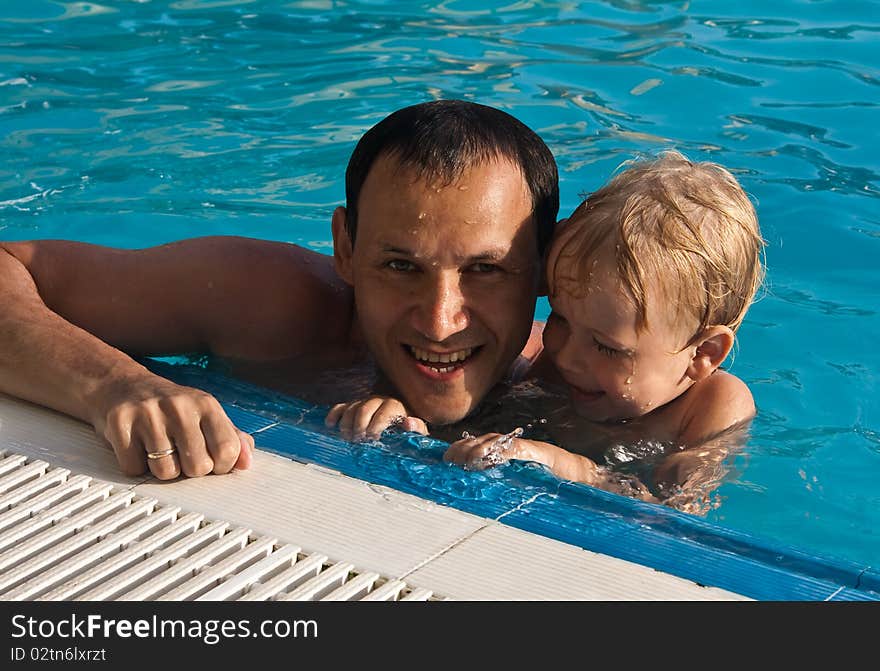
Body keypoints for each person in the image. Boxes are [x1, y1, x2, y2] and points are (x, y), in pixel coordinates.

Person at [0, 99, 559, 481]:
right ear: (344, 246)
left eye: (486, 270)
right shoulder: (273, 305)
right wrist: (116, 384)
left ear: (542, 272)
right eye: (399, 265)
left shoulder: (581, 382)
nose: (440, 322)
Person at [327, 151, 765, 512]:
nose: (565, 354)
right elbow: (473, 432)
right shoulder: (559, 369)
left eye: (606, 347)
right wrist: (400, 416)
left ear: (702, 353)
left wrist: (571, 468)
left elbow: (675, 521)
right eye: (559, 319)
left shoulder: (710, 409)